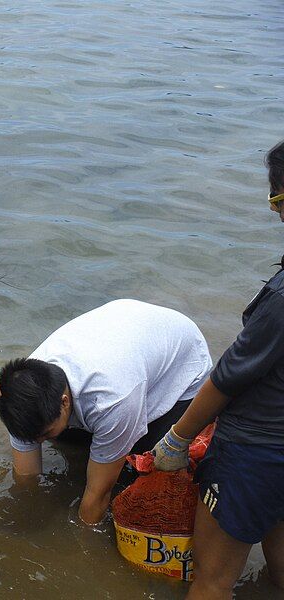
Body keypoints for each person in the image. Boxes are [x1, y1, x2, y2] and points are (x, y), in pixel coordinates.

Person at [153, 140, 284, 599]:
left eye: (276, 200)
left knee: (212, 578)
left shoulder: (281, 300)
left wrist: (179, 437)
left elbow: (229, 375)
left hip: (255, 453)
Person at [0, 299, 213, 525]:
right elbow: (27, 478)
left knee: (138, 466)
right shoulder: (19, 396)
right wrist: (26, 510)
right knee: (68, 442)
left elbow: (98, 496)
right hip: (121, 335)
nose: (37, 441)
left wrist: (82, 543)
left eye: (43, 434)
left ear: (64, 402)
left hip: (180, 367)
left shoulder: (112, 401)